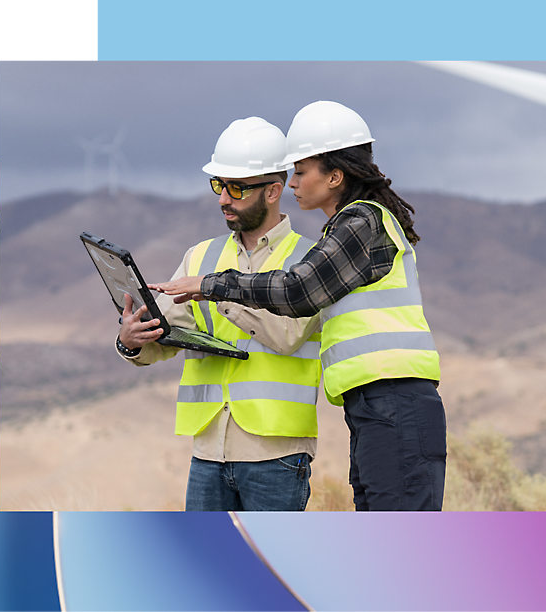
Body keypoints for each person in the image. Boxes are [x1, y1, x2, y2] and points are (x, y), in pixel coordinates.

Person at [151, 101, 446, 511]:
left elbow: (297, 291)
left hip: (395, 400)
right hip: (376, 402)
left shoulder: (361, 222)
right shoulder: (350, 226)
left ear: (335, 175)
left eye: (302, 171)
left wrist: (212, 286)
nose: (293, 182)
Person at [117, 117, 321, 511]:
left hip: (277, 454)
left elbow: (285, 334)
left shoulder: (308, 260)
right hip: (209, 451)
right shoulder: (200, 255)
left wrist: (213, 290)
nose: (224, 199)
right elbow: (165, 334)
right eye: (219, 186)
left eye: (237, 188)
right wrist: (131, 340)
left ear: (274, 191)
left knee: (269, 569)